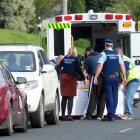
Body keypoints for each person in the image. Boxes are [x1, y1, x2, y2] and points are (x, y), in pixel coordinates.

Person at [93, 39, 127, 121]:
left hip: (108, 78)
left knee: (109, 96)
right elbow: (122, 65)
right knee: (115, 95)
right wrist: (124, 76)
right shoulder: (117, 54)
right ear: (112, 45)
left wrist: (96, 76)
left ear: (105, 45)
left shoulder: (104, 53)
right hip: (116, 78)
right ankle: (112, 113)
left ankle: (111, 115)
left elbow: (100, 66)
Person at [56, 47, 85, 121]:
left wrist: (59, 75)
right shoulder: (76, 59)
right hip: (72, 78)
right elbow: (79, 69)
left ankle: (62, 115)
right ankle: (69, 115)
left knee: (64, 97)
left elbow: (58, 67)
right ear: (75, 52)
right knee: (70, 97)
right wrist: (83, 77)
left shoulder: (65, 58)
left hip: (64, 78)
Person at [116, 48, 140, 120]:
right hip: (131, 80)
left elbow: (126, 72)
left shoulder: (125, 60)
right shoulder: (122, 59)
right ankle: (125, 112)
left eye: (116, 54)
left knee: (128, 97)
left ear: (120, 53)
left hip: (134, 80)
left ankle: (129, 114)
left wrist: (123, 83)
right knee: (125, 96)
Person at [84, 47, 105, 120]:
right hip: (103, 77)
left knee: (93, 96)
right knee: (102, 97)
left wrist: (86, 77)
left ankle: (88, 115)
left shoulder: (88, 58)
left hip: (94, 77)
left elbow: (85, 72)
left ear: (88, 52)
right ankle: (100, 115)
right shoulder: (101, 56)